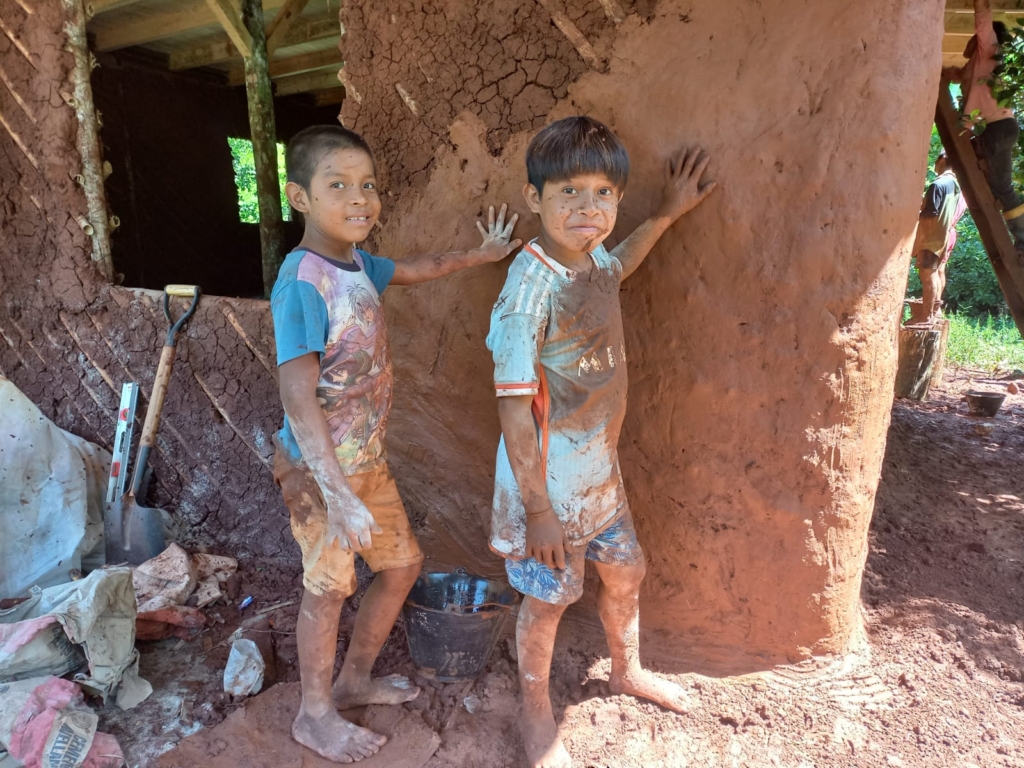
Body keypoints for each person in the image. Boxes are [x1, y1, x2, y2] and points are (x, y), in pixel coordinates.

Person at [271, 124, 521, 763]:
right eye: (338, 185)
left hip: (365, 463)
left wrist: (483, 255)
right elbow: (298, 397)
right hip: (318, 473)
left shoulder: (357, 265)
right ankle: (313, 714)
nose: (359, 198)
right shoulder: (303, 282)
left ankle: (354, 680)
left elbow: (417, 268)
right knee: (328, 588)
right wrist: (336, 494)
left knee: (402, 566)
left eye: (368, 185)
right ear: (300, 197)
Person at [485, 116, 715, 768]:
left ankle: (625, 670)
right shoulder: (528, 292)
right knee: (548, 600)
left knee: (626, 570)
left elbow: (620, 265)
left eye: (603, 194)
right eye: (569, 193)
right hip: (549, 488)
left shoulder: (590, 262)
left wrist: (666, 214)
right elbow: (512, 410)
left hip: (597, 476)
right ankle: (535, 712)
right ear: (534, 199)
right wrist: (537, 509)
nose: (588, 208)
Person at [945, 0, 1024, 246]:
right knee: (1000, 186)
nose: (971, 41)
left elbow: (983, 23)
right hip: (1001, 128)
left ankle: (1022, 239)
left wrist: (980, 4)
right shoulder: (977, 66)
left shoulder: (988, 51)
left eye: (974, 38)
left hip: (996, 129)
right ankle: (1022, 241)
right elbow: (960, 75)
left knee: (986, 174)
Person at [912, 153, 966, 320]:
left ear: (942, 159)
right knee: (936, 271)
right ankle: (935, 311)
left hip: (932, 236)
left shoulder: (938, 184)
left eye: (936, 160)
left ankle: (926, 316)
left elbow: (930, 213)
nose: (935, 165)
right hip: (945, 235)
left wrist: (914, 210)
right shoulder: (956, 185)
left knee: (927, 274)